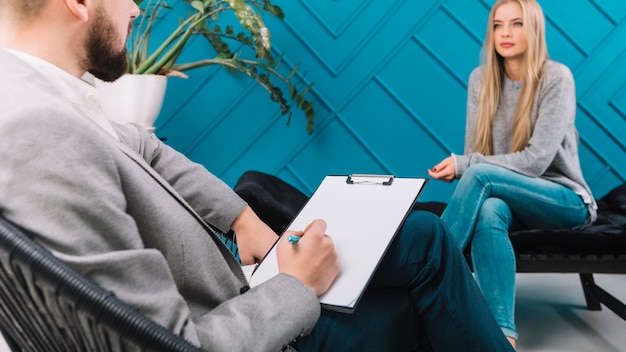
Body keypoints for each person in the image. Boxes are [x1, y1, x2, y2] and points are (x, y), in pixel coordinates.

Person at [0, 0, 515, 351]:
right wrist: (294, 284)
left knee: (425, 239)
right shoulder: (44, 133)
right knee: (431, 276)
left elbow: (145, 148)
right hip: (255, 325)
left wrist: (241, 216)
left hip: (243, 293)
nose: (135, 8)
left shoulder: (38, 99)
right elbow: (170, 343)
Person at [428, 0, 597, 348]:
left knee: (478, 176)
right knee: (489, 211)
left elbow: (534, 162)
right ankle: (502, 338)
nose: (505, 33)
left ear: (532, 29)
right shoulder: (481, 80)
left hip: (563, 198)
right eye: (497, 25)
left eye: (516, 23)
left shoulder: (556, 78)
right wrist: (469, 163)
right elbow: (478, 151)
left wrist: (464, 165)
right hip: (507, 196)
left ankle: (424, 274)